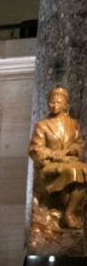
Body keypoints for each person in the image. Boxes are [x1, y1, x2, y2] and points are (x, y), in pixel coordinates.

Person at [29, 85, 87, 229]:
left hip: (70, 161)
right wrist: (55, 155)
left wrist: (71, 151)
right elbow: (35, 148)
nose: (54, 105)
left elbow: (79, 143)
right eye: (51, 102)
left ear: (65, 104)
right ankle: (68, 214)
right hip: (50, 165)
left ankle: (69, 212)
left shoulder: (73, 124)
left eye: (58, 102)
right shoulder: (41, 125)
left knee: (84, 171)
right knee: (73, 172)